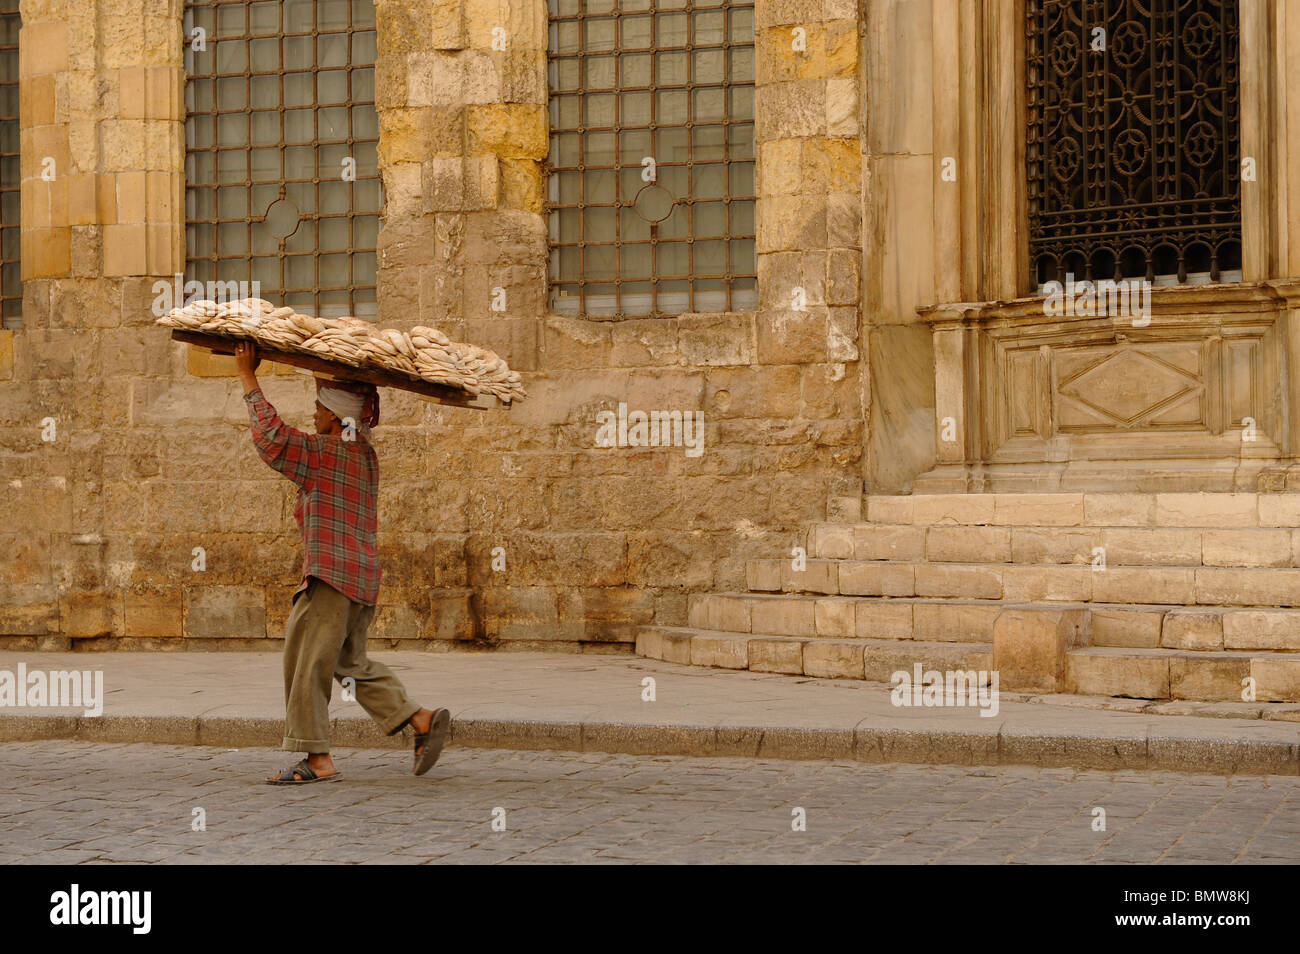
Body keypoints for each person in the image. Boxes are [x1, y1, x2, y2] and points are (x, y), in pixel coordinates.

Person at [233, 340, 449, 784]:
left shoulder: (324, 454)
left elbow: (271, 436)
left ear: (334, 416)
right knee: (349, 665)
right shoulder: (364, 455)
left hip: (330, 579)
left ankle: (317, 759)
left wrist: (247, 375)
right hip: (362, 578)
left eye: (318, 407)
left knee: (306, 663)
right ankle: (420, 719)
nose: (313, 414)